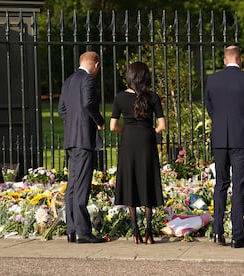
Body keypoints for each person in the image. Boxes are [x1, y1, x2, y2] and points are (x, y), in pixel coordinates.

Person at [205, 45, 244, 248]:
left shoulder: (212, 80)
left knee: (220, 184)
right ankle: (238, 235)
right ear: (240, 59)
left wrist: (221, 124)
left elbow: (210, 107)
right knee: (239, 186)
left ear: (224, 60)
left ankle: (218, 232)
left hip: (220, 138)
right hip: (241, 138)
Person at [110, 61, 166, 244]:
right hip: (146, 142)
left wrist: (125, 131)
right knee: (147, 179)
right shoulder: (153, 97)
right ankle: (149, 231)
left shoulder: (119, 98)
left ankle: (136, 232)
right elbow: (162, 125)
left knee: (131, 181)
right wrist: (150, 132)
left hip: (128, 143)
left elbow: (113, 126)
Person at [58, 51, 105, 243]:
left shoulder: (69, 80)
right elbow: (88, 103)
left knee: (72, 185)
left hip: (71, 138)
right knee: (81, 187)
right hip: (84, 139)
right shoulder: (88, 79)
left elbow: (62, 109)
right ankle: (84, 232)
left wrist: (73, 124)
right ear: (96, 64)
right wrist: (98, 121)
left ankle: (71, 229)